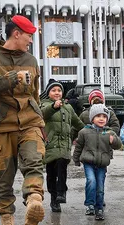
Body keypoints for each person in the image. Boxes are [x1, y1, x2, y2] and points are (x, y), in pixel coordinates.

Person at [0, 15, 45, 225]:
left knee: (34, 162)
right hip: (2, 127)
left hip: (29, 123)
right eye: (29, 36)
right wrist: (13, 77)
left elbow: (35, 95)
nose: (31, 41)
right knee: (3, 179)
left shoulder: (31, 60)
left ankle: (34, 201)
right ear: (16, 33)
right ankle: (7, 219)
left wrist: (40, 123)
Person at [40, 79, 85, 213]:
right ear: (48, 93)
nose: (57, 92)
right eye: (53, 90)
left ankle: (61, 192)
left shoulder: (68, 107)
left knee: (62, 165)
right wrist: (54, 107)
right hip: (50, 145)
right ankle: (54, 199)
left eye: (59, 90)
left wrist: (87, 131)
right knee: (51, 174)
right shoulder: (44, 104)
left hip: (64, 145)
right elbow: (43, 115)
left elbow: (78, 124)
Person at [73, 104, 122, 220]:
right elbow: (78, 147)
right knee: (91, 181)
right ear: (92, 118)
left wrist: (113, 140)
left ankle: (99, 208)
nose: (101, 119)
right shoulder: (84, 132)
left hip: (102, 164)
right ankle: (90, 204)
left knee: (100, 186)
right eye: (98, 116)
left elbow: (118, 145)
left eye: (104, 117)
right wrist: (76, 159)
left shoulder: (109, 132)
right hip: (88, 162)